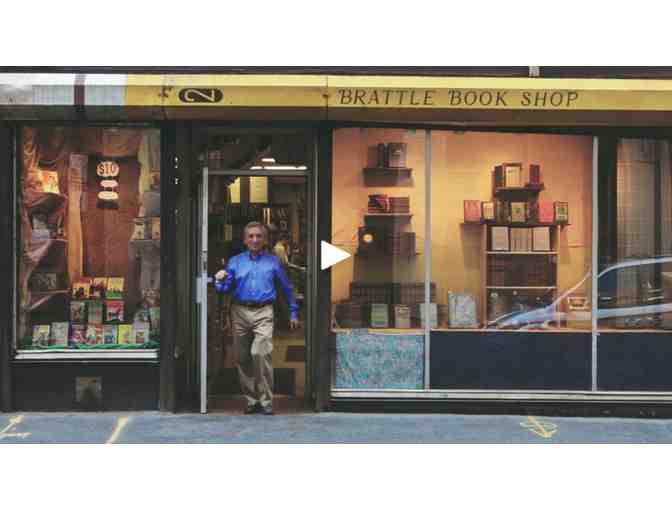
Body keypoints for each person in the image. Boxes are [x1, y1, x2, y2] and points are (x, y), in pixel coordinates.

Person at [214, 222, 299, 415]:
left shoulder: (273, 262)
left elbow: (286, 287)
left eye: (259, 236)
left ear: (265, 240)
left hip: (264, 311)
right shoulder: (235, 261)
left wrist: (293, 312)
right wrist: (219, 280)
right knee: (242, 358)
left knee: (260, 353)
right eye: (250, 236)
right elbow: (226, 289)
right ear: (245, 240)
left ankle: (266, 402)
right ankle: (251, 401)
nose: (255, 240)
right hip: (239, 311)